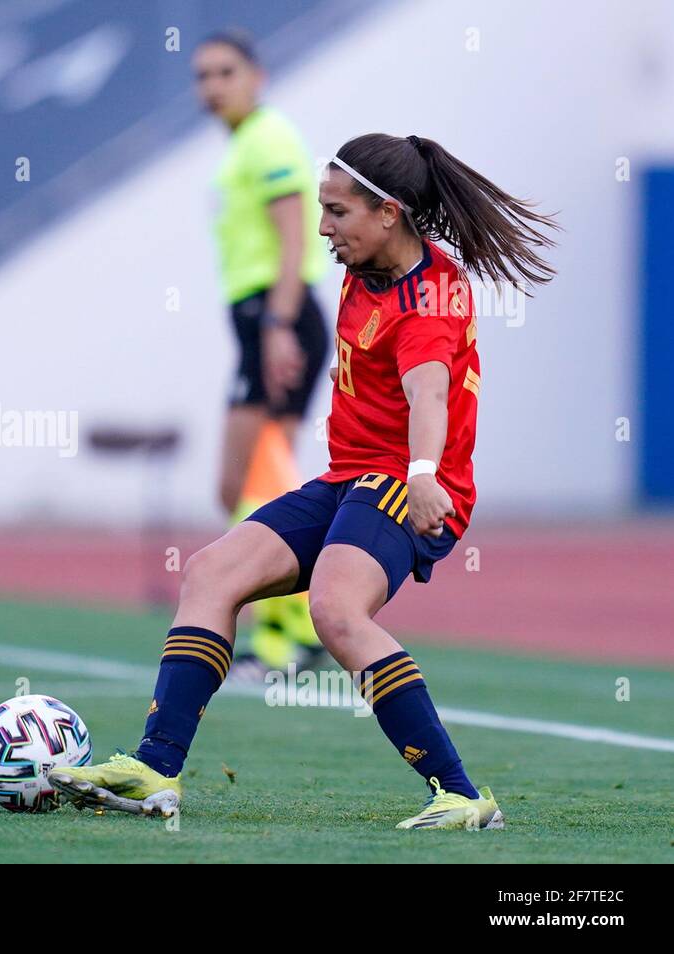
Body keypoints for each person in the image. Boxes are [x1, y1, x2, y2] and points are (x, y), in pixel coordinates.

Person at [51, 132, 557, 829]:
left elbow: (430, 396)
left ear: (388, 212)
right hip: (349, 478)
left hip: (400, 483)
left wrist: (419, 476)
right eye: (320, 209)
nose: (322, 227)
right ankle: (154, 769)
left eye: (337, 212)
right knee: (210, 573)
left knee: (337, 611)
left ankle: (463, 794)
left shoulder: (429, 298)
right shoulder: (367, 267)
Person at [192, 30, 329, 677]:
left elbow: (295, 233)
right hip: (260, 322)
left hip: (279, 318)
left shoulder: (269, 137)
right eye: (204, 76)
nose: (213, 86)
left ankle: (288, 640)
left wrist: (277, 324)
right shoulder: (241, 145)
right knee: (246, 481)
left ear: (257, 76)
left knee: (258, 480)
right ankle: (294, 631)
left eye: (226, 72)